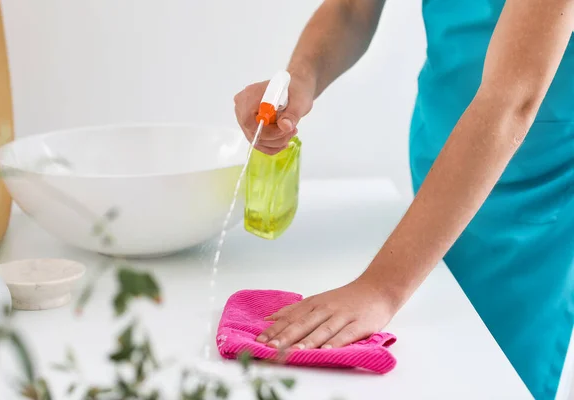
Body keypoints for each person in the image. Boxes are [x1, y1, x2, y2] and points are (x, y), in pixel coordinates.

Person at [233, 0, 574, 398]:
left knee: (486, 377)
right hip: (439, 147)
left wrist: (381, 288)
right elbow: (351, 9)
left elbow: (511, 101)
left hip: (530, 194)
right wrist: (301, 78)